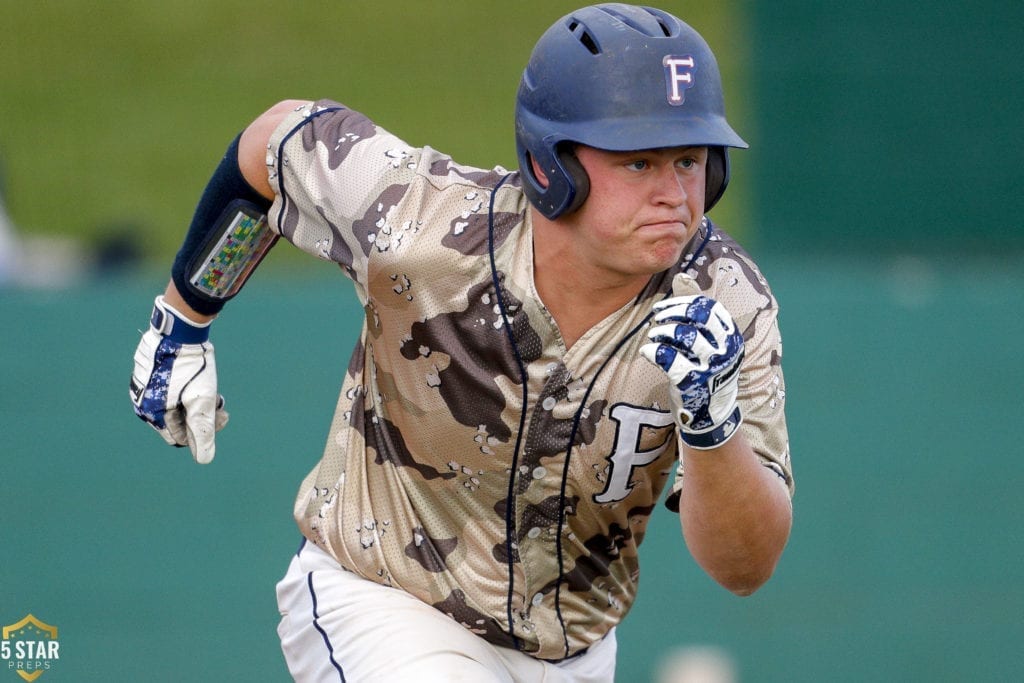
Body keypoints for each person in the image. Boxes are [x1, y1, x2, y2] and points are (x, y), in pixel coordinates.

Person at [129, 4, 794, 681]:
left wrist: (714, 426)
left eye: (689, 160)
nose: (674, 193)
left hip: (575, 654)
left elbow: (746, 567)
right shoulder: (424, 222)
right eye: (639, 161)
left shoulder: (727, 304)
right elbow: (276, 143)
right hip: (382, 600)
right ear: (550, 166)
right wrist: (185, 315)